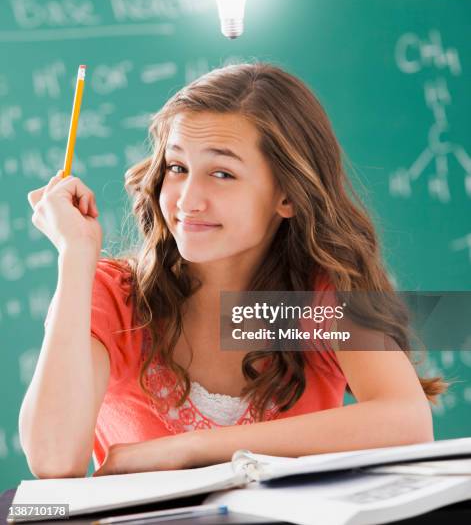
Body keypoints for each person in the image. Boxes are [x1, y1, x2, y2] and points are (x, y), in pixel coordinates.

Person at [20, 62, 447, 479]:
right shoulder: (114, 297)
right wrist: (75, 256)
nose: (188, 200)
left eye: (222, 173)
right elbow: (55, 461)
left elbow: (407, 423)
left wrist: (188, 451)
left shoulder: (313, 302)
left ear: (288, 196)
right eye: (177, 167)